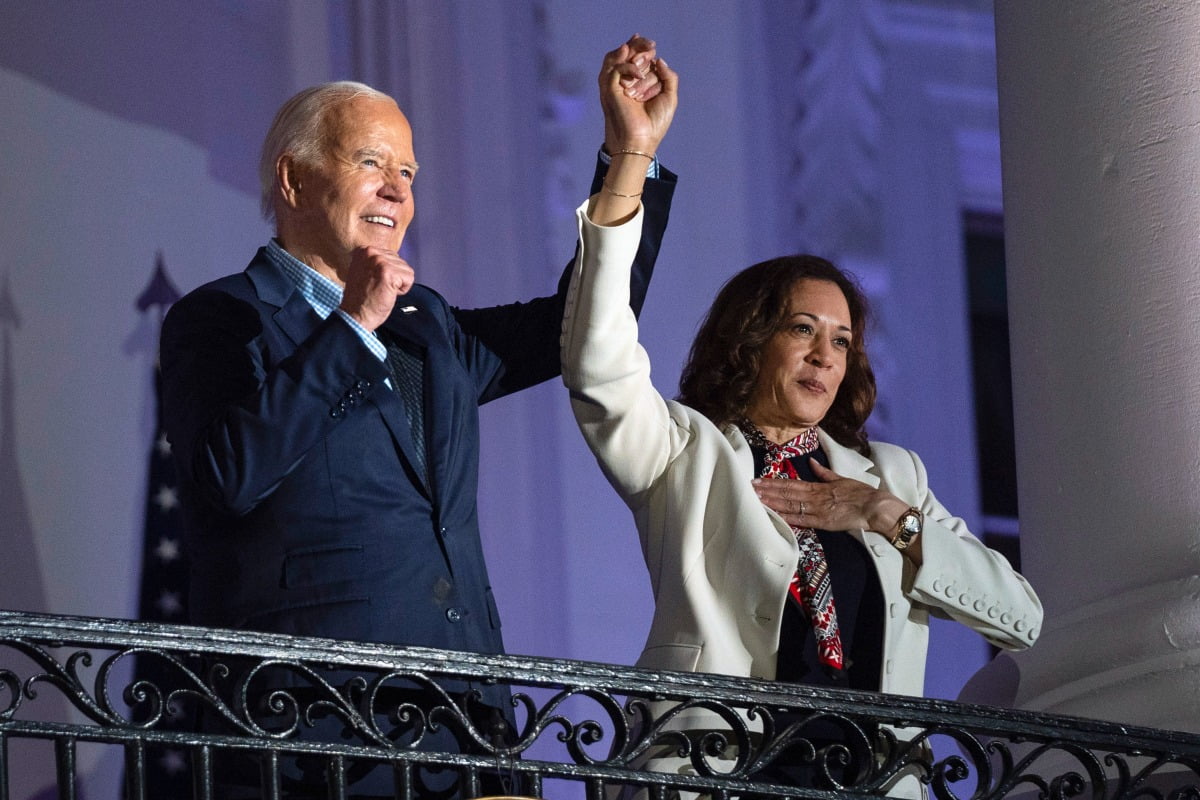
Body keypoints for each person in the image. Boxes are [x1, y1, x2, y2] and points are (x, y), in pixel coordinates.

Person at [159, 37, 676, 797]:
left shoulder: (425, 324)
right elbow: (227, 477)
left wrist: (628, 156)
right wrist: (353, 327)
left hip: (468, 733)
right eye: (372, 162)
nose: (398, 190)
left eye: (408, 172)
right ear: (295, 180)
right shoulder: (222, 318)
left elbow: (582, 325)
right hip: (317, 742)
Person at [562, 82, 1042, 797]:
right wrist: (632, 157)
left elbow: (1024, 620)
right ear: (752, 341)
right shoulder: (686, 453)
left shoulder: (891, 475)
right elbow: (598, 359)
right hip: (721, 776)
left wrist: (889, 519)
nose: (825, 355)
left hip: (866, 780)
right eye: (802, 330)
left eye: (842, 340)